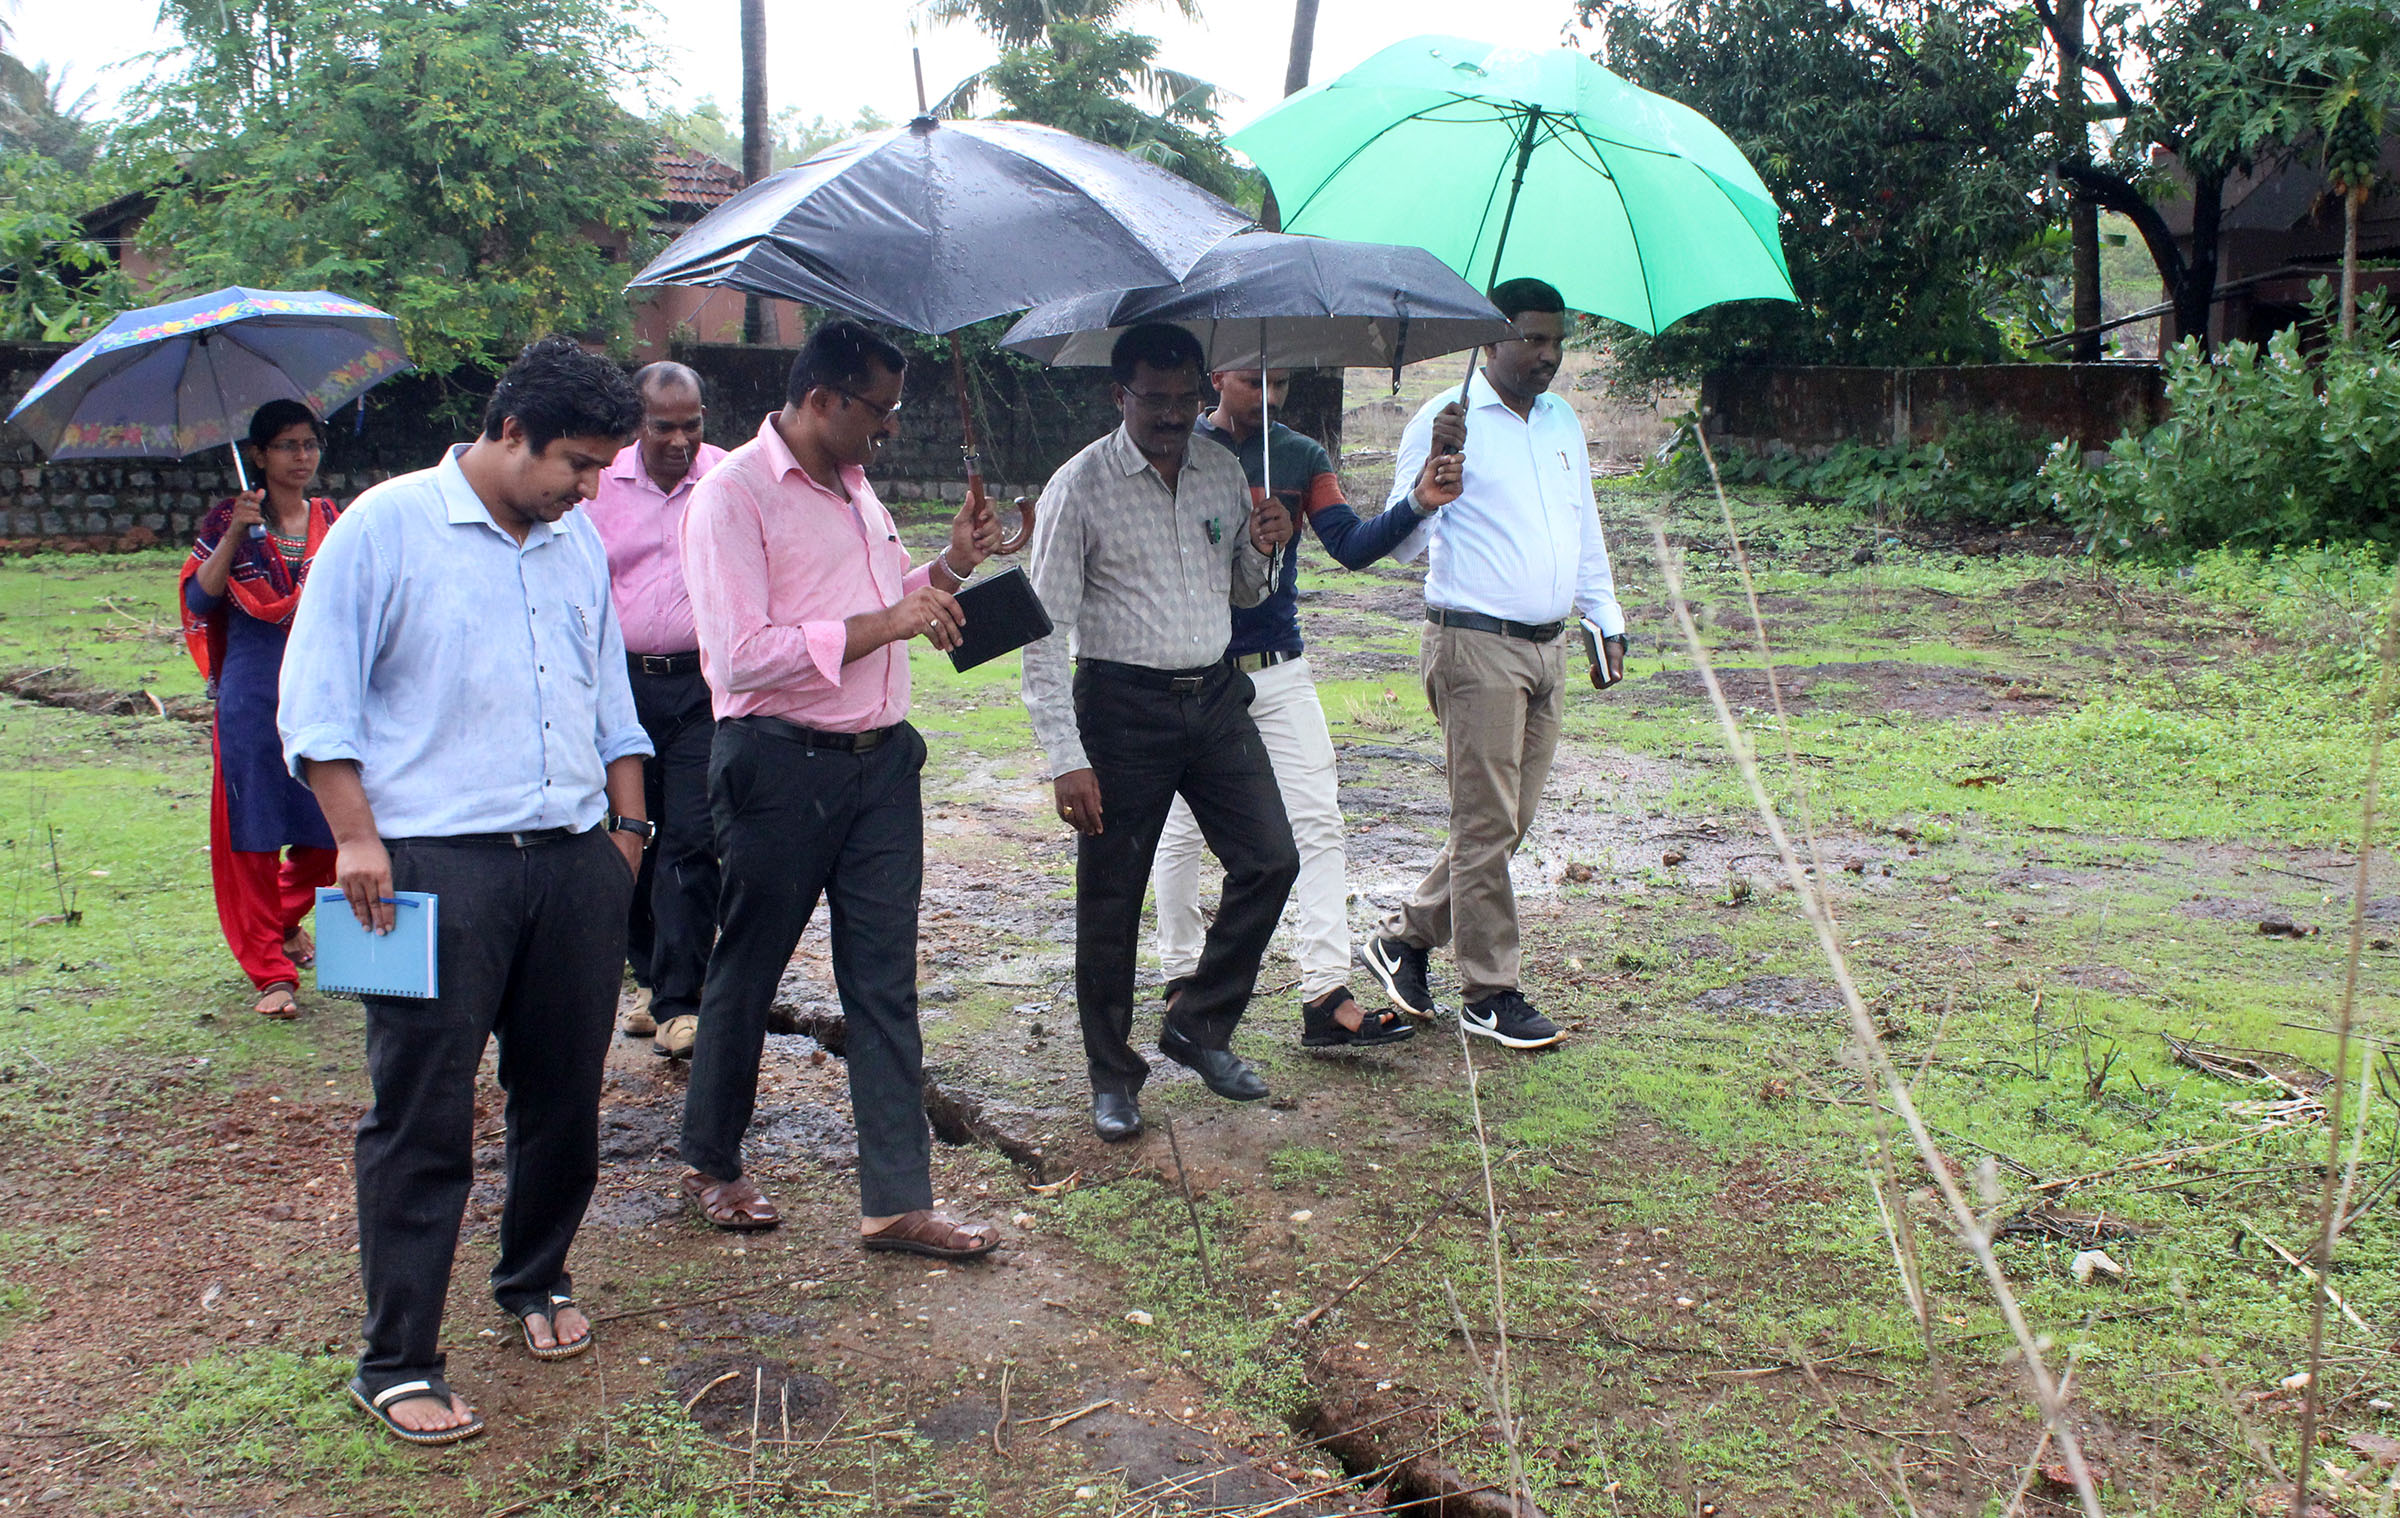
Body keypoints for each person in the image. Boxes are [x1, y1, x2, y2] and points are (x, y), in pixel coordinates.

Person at [280, 336, 653, 1445]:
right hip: (430, 869)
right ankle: (396, 1358)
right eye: (575, 465)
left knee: (563, 1096)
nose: (590, 490)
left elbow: (610, 692)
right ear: (506, 432)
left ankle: (534, 1277)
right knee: (421, 1113)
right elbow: (317, 706)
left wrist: (625, 831)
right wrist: (355, 842)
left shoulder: (573, 538)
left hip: (575, 860)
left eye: (598, 470)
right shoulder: (384, 530)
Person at [675, 320, 1004, 1261]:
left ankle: (896, 1201)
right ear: (823, 399)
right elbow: (740, 656)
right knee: (749, 964)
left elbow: (886, 600)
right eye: (880, 411)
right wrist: (888, 616)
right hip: (779, 764)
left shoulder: (856, 488)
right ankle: (711, 1159)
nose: (889, 430)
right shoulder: (731, 497)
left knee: (883, 982)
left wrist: (949, 571)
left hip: (880, 767)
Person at [1022, 323, 1299, 1143]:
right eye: (1158, 399)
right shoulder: (1079, 487)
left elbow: (1243, 594)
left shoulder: (1222, 471)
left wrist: (1264, 544)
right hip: (1120, 707)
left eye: (1189, 398)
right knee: (1112, 898)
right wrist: (1065, 758)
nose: (1176, 415)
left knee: (1272, 858)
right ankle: (1113, 1075)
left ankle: (1199, 1025)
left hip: (1214, 698)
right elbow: (1042, 632)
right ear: (1121, 396)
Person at [1359, 278, 1626, 1052]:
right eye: (1533, 338)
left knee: (1509, 821)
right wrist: (1433, 480)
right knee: (1485, 822)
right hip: (1473, 643)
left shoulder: (1563, 420)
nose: (1549, 354)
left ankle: (1405, 941)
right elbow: (1401, 540)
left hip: (1547, 645)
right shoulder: (1446, 419)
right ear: (1490, 339)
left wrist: (1605, 615)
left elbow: (1584, 529)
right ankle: (1489, 991)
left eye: (1557, 338)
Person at [1149, 367, 1425, 1049]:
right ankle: (1183, 979)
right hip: (1197, 671)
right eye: (1253, 382)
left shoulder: (1299, 456)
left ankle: (1324, 992)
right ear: (1215, 377)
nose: (1270, 397)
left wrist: (1417, 502)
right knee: (1182, 833)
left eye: (1280, 384)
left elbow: (1351, 545)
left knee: (1319, 822)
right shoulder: (1178, 448)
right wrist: (1241, 535)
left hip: (1278, 663)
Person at [178, 400, 341, 1019]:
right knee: (250, 833)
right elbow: (199, 595)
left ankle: (276, 920)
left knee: (327, 831)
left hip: (319, 689)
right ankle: (270, 974)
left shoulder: (331, 517)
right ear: (259, 456)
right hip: (251, 692)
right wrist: (231, 536)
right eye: (288, 446)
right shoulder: (231, 517)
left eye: (310, 445)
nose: (302, 458)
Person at [585, 361, 728, 1058]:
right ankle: (647, 975)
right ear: (638, 421)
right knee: (631, 832)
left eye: (691, 424)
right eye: (663, 425)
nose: (679, 440)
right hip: (620, 688)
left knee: (694, 840)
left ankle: (680, 1000)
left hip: (702, 687)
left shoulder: (728, 479)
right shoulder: (600, 485)